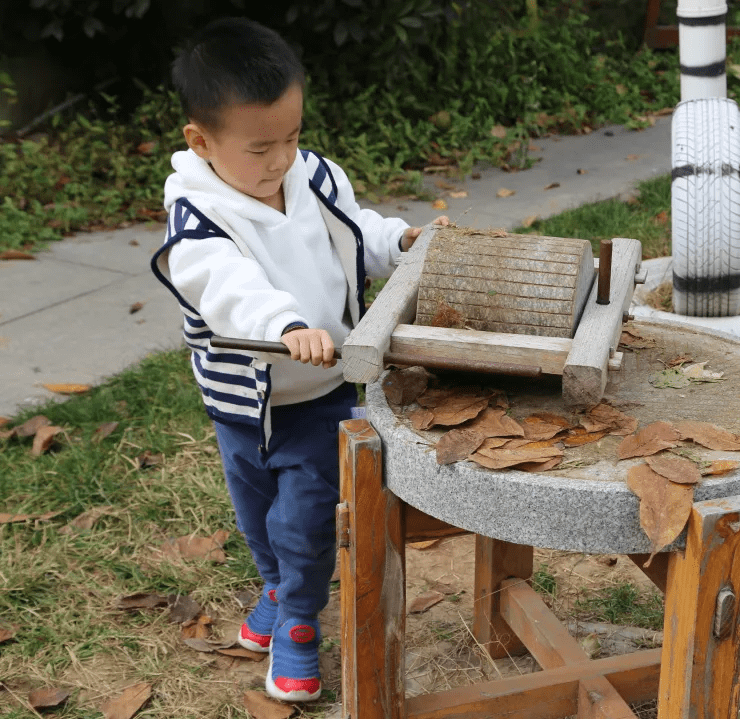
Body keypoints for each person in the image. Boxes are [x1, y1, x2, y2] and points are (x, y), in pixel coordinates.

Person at [150, 17, 448, 703]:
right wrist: (283, 323)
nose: (282, 158)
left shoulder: (311, 175)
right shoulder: (197, 222)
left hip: (321, 391)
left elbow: (355, 227)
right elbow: (227, 288)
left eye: (291, 136)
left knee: (304, 519)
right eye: (261, 147)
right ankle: (278, 587)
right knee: (256, 514)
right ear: (201, 141)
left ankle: (299, 623)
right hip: (244, 401)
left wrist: (397, 238)